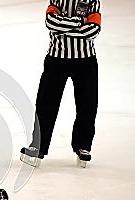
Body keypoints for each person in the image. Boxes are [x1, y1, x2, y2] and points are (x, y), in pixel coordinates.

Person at [20, 0, 101, 168]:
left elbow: (92, 31)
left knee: (87, 105)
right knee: (45, 105)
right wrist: (79, 22)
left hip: (85, 62)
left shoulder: (92, 0)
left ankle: (83, 147)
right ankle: (38, 147)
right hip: (56, 60)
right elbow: (50, 22)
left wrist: (62, 29)